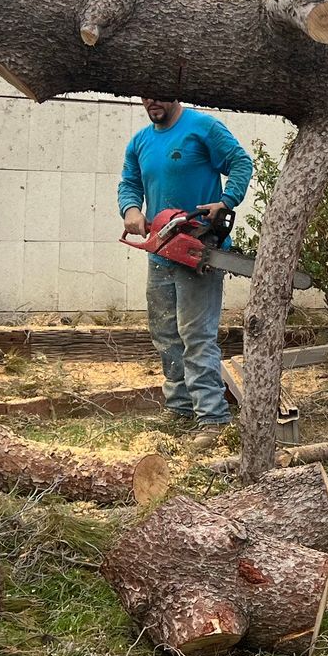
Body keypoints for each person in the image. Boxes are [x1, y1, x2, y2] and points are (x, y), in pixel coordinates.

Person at [119, 98, 254, 434]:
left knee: (197, 336)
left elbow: (240, 162)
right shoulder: (140, 141)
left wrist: (225, 202)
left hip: (200, 250)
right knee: (165, 334)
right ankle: (180, 410)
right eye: (146, 94)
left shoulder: (202, 128)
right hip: (160, 252)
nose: (152, 101)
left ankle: (212, 417)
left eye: (159, 93)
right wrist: (131, 210)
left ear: (175, 93)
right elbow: (129, 183)